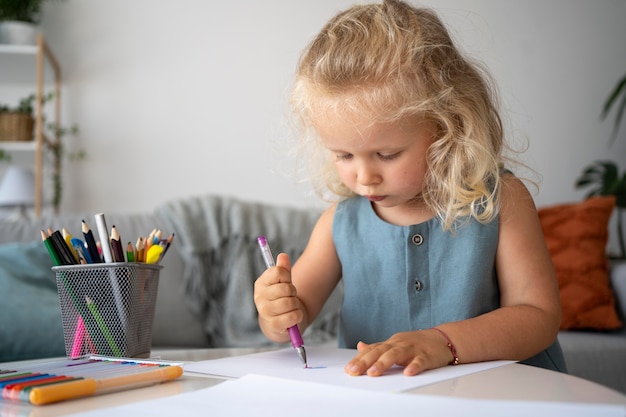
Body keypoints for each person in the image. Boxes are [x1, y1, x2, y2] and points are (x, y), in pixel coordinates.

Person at [253, 0, 566, 377]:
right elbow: (292, 319)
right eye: (344, 154)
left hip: (504, 396)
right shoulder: (341, 223)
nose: (364, 176)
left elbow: (538, 316)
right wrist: (275, 311)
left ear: (448, 126)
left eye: (387, 154)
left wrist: (442, 343)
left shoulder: (501, 200)